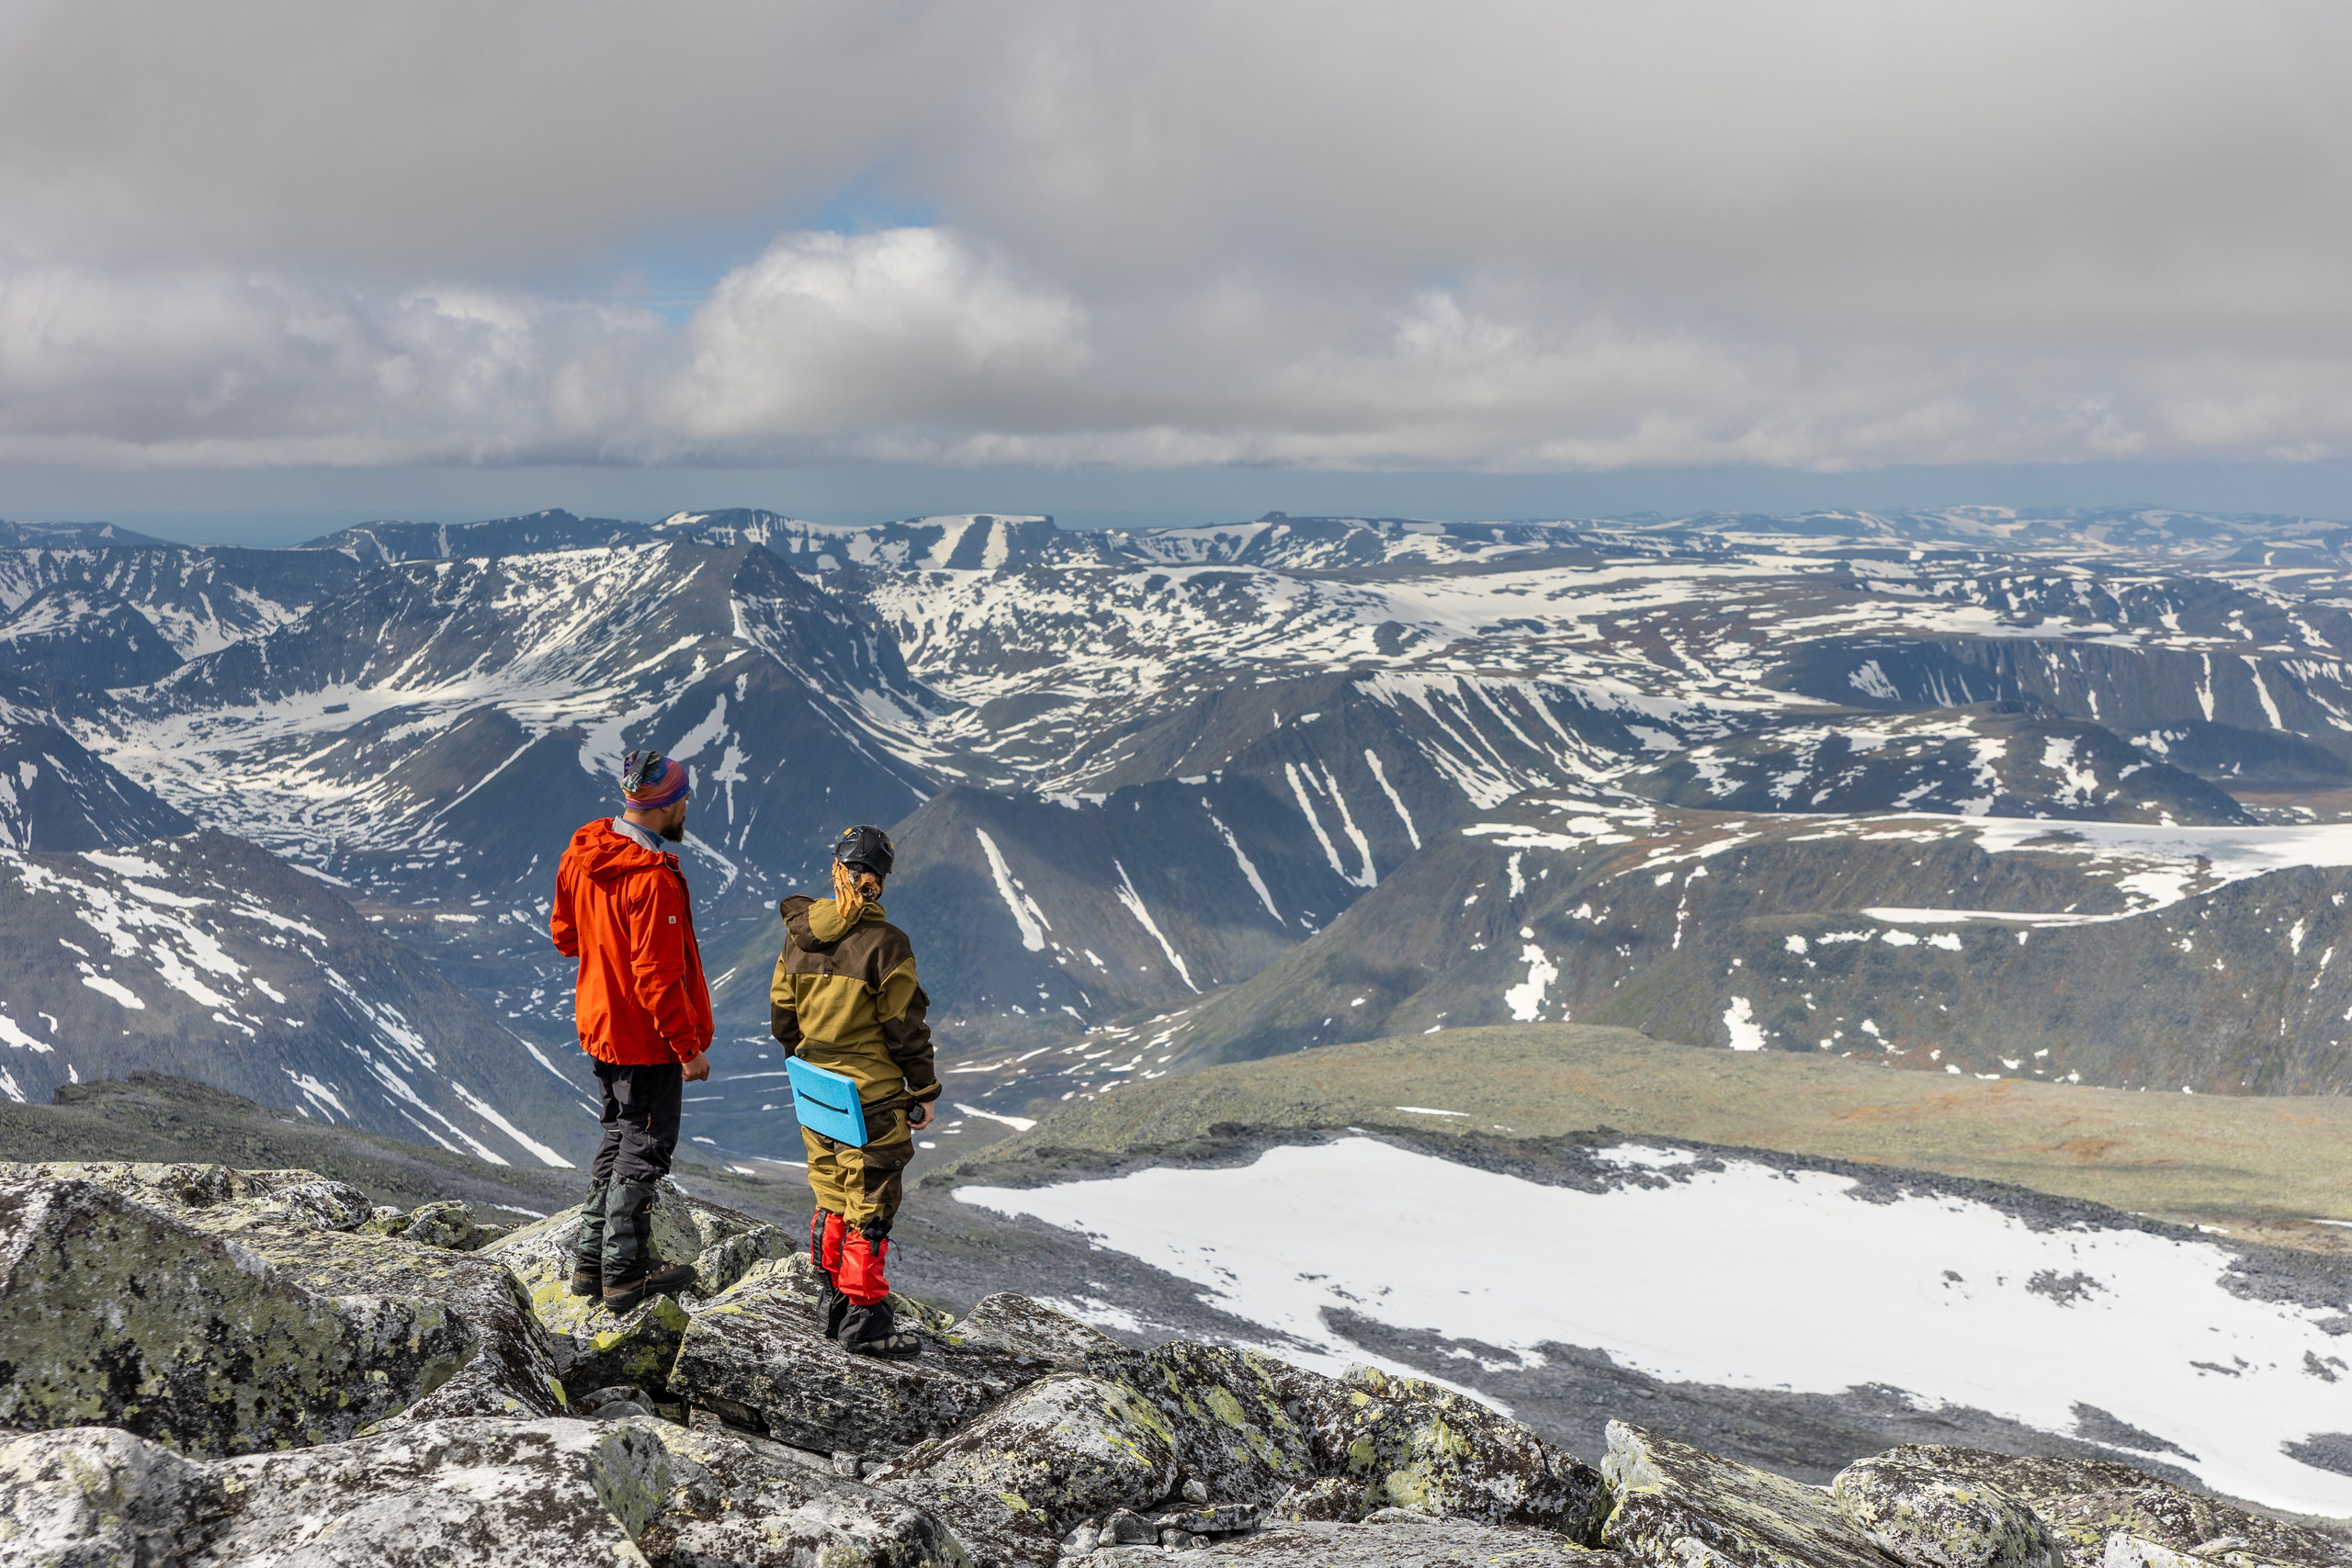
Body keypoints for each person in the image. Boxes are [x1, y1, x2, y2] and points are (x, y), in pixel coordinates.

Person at [549, 749, 714, 1313]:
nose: (688, 804)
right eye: (683, 796)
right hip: (645, 1038)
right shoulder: (653, 882)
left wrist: (604, 951)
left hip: (599, 1024)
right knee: (644, 1144)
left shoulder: (584, 851)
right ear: (665, 804)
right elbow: (658, 978)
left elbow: (565, 936)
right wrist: (688, 1049)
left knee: (617, 1136)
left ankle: (589, 1266)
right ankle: (626, 1271)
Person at [772, 825, 940, 1357]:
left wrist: (811, 1063)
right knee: (871, 1201)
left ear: (836, 870)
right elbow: (904, 1027)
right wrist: (924, 1088)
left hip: (817, 1090)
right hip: (872, 1098)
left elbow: (782, 1018)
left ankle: (834, 1303)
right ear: (879, 882)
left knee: (830, 1191)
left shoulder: (798, 937)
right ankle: (864, 1321)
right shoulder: (886, 946)